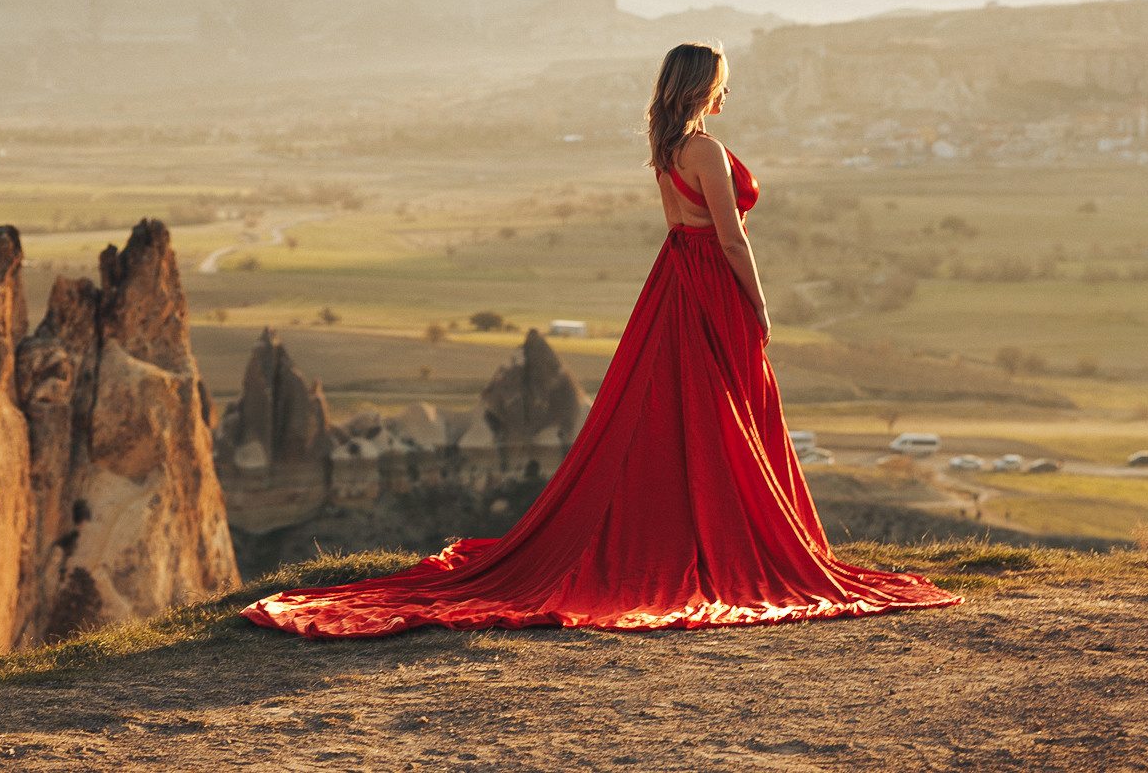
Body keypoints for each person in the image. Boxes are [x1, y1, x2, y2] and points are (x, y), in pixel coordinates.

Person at [243, 42, 958, 638]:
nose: (727, 97)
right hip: (710, 282)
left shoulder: (666, 146)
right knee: (726, 410)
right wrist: (760, 303)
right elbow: (731, 237)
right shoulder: (704, 148)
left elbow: (685, 228)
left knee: (681, 413)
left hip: (675, 277)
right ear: (704, 88)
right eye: (723, 86)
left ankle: (690, 529)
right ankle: (720, 538)